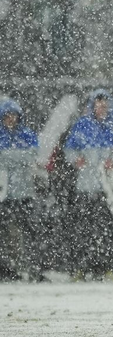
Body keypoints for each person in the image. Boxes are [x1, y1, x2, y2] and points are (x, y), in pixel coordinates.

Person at [63, 89, 113, 280]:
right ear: (92, 106)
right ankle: (82, 267)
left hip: (109, 187)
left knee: (108, 229)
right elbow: (69, 149)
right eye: (98, 105)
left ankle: (106, 267)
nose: (101, 108)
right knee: (84, 228)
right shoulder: (81, 125)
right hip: (86, 185)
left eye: (104, 104)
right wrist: (75, 159)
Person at [0, 98, 43, 281]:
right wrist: (20, 158)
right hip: (4, 193)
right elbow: (27, 157)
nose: (11, 119)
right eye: (7, 116)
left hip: (24, 192)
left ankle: (33, 269)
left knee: (29, 233)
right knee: (5, 234)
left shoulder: (27, 134)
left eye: (14, 116)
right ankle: (7, 269)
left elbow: (33, 155)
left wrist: (7, 157)